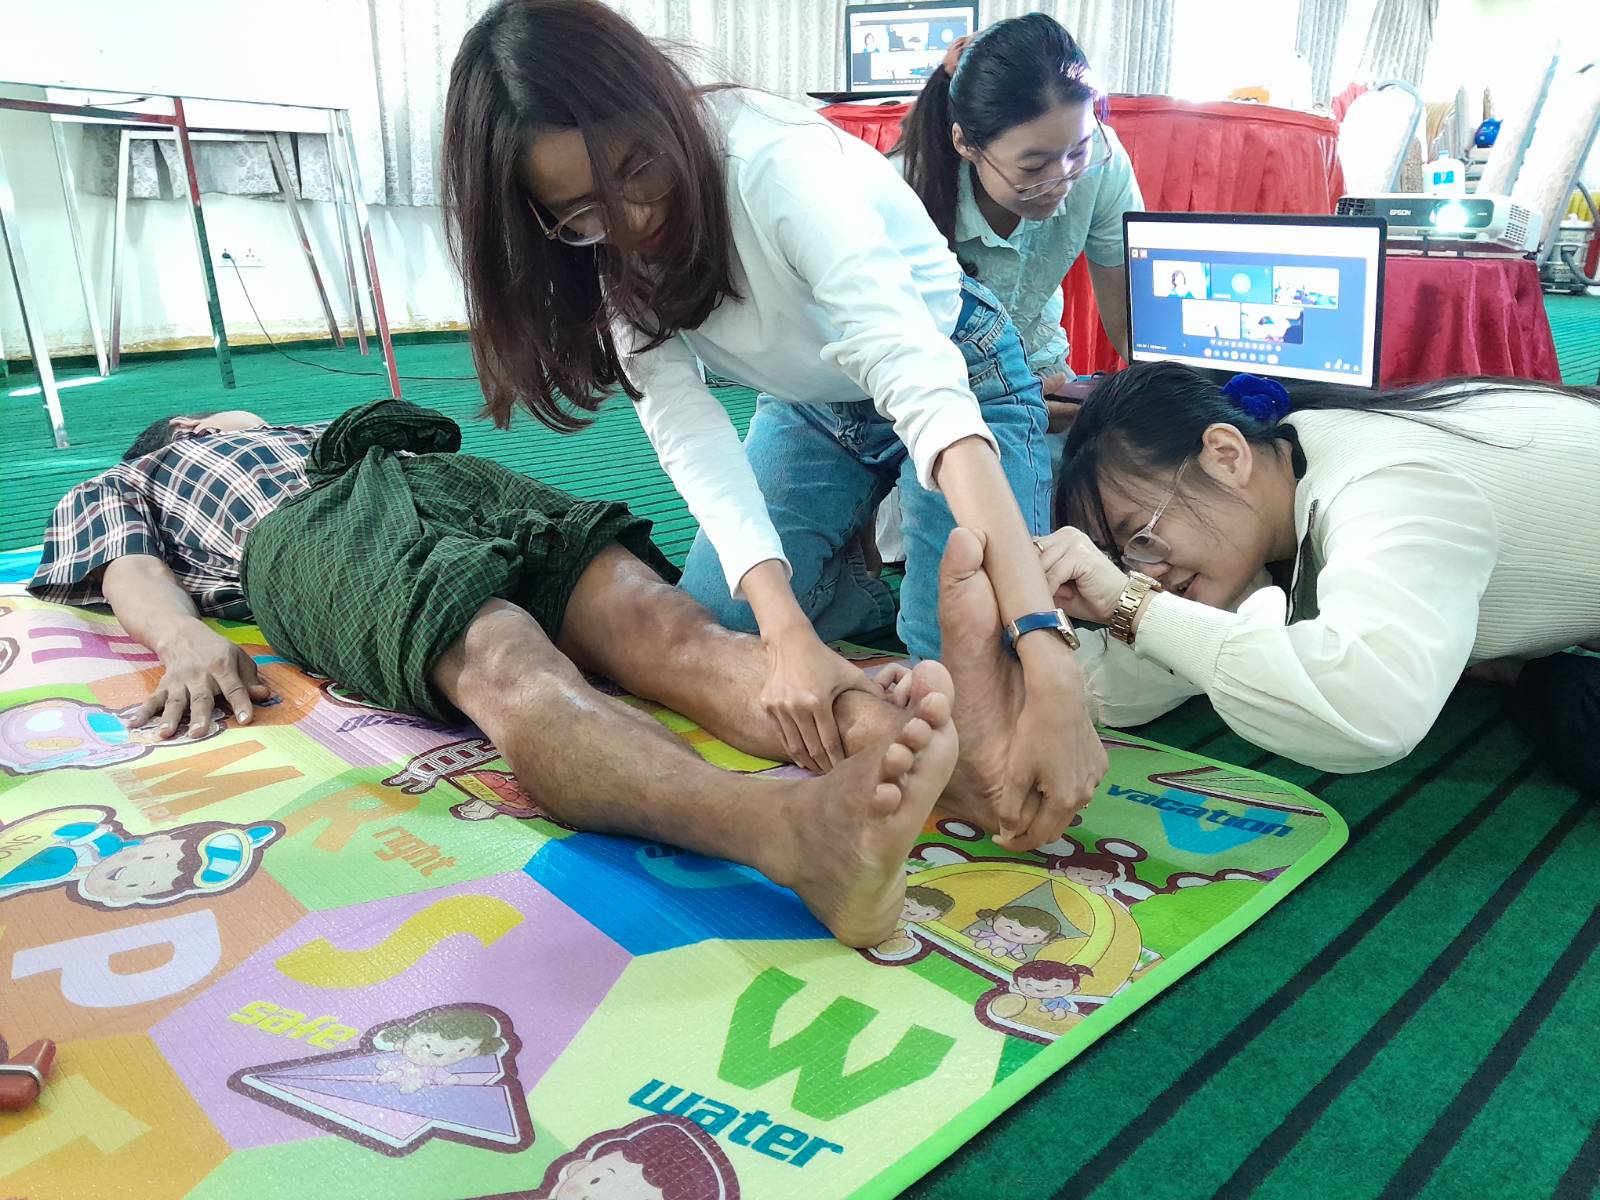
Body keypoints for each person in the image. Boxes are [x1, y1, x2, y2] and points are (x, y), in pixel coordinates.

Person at [441, 0, 1105, 843]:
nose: (633, 220)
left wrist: (1045, 652)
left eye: (638, 170)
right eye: (583, 212)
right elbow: (687, 429)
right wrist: (785, 627)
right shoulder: (597, 248)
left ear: (661, 108)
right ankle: (871, 560)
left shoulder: (773, 163)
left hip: (955, 367)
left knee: (963, 681)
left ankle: (911, 575)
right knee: (724, 630)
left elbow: (926, 391)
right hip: (811, 403)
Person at [27, 402, 963, 947]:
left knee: (663, 617)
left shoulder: (317, 423)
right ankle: (793, 838)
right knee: (506, 656)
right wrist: (183, 637)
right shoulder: (150, 470)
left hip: (442, 479)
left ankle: (922, 764)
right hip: (307, 536)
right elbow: (130, 568)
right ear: (186, 428)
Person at [1038, 362, 1600, 791]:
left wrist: (1133, 607)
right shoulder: (1277, 474)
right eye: (1122, 559)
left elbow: (1373, 712)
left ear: (1226, 455)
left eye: (1141, 534)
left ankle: (1524, 671)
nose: (1143, 571)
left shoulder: (1385, 484)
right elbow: (1141, 678)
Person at [897, 13, 1143, 436]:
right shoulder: (902, 193)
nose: (1063, 179)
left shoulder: (1103, 163)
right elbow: (884, 357)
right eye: (1033, 166)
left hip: (1039, 376)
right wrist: (1004, 405)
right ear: (966, 144)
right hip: (921, 389)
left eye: (1079, 151)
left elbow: (1130, 325)